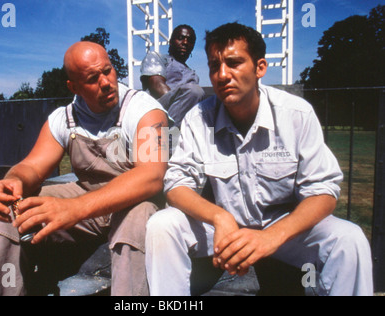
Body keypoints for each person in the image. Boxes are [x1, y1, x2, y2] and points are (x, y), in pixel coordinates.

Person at [145, 22, 374, 296]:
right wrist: (220, 218)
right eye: (214, 65)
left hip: (283, 229)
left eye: (234, 63)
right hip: (223, 228)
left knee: (350, 239)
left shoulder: (296, 114)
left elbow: (324, 191)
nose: (221, 75)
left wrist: (271, 237)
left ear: (260, 68)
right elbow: (176, 185)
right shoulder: (198, 118)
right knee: (162, 225)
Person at [0, 41, 169, 296]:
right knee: (14, 212)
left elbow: (151, 177)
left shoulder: (145, 109)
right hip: (89, 206)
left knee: (135, 222)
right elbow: (33, 166)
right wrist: (13, 180)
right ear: (73, 86)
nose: (106, 82)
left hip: (137, 202)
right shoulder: (64, 118)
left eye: (108, 70)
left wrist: (75, 208)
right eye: (92, 78)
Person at [140, 24, 206, 127]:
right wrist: (188, 96)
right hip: (155, 113)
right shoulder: (156, 58)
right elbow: (157, 88)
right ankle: (167, 136)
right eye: (180, 38)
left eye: (190, 40)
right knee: (195, 91)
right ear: (170, 41)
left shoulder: (193, 75)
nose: (185, 43)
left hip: (183, 119)